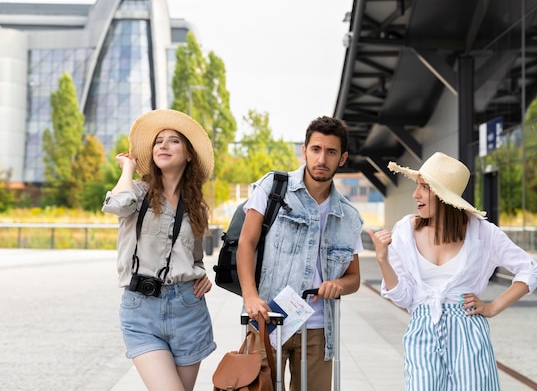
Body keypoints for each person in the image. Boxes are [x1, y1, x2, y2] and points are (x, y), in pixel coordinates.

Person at [368, 152, 537, 391]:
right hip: (423, 331)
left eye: (424, 187)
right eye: (416, 186)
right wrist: (382, 260)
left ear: (443, 196)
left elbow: (530, 271)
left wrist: (492, 307)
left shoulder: (482, 232)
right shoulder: (404, 232)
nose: (415, 194)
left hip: (469, 331)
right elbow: (403, 298)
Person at [237, 116, 364, 391]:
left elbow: (354, 277)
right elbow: (246, 243)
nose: (322, 159)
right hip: (268, 320)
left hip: (318, 328)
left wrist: (338, 284)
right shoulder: (273, 187)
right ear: (304, 150)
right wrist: (250, 295)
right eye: (316, 149)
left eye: (331, 152)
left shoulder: (349, 216)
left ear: (342, 158)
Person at [102, 109, 217, 391]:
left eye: (173, 140)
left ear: (189, 154)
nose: (163, 145)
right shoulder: (138, 193)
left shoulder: (196, 206)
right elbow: (117, 205)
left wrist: (202, 275)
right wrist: (128, 169)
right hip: (141, 309)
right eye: (158, 141)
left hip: (188, 310)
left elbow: (196, 257)